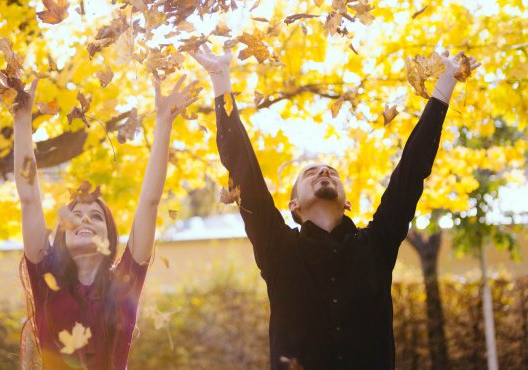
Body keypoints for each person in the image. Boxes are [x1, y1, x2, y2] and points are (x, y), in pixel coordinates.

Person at [191, 46, 480, 370]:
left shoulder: (376, 246)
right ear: (294, 206)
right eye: (311, 173)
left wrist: (444, 89)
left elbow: (411, 172)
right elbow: (244, 172)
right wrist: (221, 80)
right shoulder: (278, 249)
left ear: (348, 203)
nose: (324, 171)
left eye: (331, 172)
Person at [12, 75, 199, 370]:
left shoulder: (126, 280)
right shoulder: (46, 276)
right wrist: (22, 123)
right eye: (76, 215)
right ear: (62, 235)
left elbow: (150, 202)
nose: (86, 218)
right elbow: (29, 200)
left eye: (96, 216)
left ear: (110, 237)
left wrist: (163, 123)